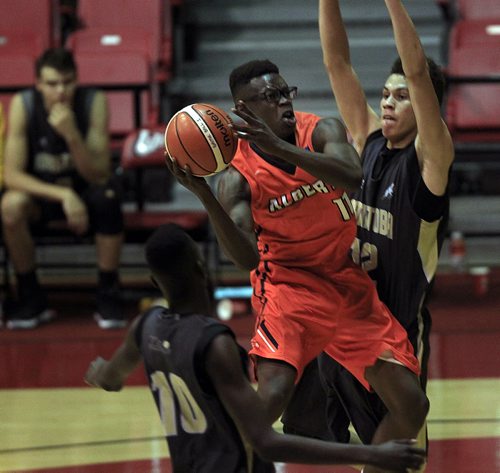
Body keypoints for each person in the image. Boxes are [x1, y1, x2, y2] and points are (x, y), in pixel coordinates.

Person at [165, 58, 431, 472]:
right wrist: (205, 195)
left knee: (411, 404)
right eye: (270, 97)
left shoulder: (321, 130)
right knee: (269, 399)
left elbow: (351, 176)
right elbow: (245, 259)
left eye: (285, 92)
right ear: (244, 108)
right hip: (288, 289)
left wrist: (281, 148)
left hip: (344, 282)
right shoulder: (237, 175)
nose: (283, 102)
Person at [85, 223, 426, 473]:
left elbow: (111, 377)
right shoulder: (214, 344)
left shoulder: (144, 327)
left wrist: (100, 371)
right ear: (201, 267)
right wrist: (372, 455)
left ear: (155, 283)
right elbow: (265, 441)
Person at [283, 0, 455, 469]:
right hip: (346, 334)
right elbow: (336, 62)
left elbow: (419, 73)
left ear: (425, 108)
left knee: (395, 463)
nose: (387, 102)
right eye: (384, 93)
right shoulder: (366, 141)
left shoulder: (429, 163)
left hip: (398, 341)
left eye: (400, 97)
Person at [1, 47, 126, 330]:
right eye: (52, 84)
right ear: (38, 84)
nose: (61, 91)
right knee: (9, 205)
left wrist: (72, 136)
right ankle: (30, 294)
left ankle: (108, 291)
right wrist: (64, 195)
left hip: (87, 191)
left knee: (108, 198)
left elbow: (98, 173)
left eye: (67, 82)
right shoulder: (24, 105)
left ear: (77, 80)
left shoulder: (93, 102)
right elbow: (12, 176)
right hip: (43, 194)